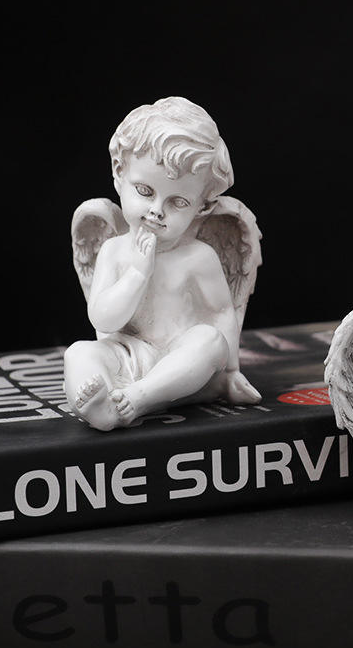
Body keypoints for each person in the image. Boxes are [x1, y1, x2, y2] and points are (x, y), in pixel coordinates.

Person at [64, 96, 260, 431]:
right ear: (119, 174)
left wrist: (231, 371)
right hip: (128, 355)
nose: (157, 210)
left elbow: (220, 313)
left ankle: (139, 398)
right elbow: (103, 320)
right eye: (144, 191)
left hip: (181, 363)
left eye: (178, 202)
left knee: (210, 340)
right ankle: (102, 407)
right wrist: (138, 274)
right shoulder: (113, 250)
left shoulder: (199, 256)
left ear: (201, 207)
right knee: (79, 354)